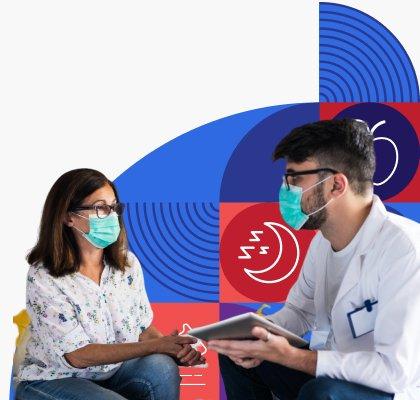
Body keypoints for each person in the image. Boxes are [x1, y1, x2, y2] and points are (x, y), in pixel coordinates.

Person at [209, 119, 420, 400]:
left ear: (336, 185)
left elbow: (395, 372)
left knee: (322, 392)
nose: (285, 190)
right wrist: (255, 334)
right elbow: (299, 312)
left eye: (295, 179)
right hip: (336, 371)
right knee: (240, 352)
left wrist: (292, 357)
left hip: (391, 389)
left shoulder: (406, 249)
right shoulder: (323, 241)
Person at [15, 168, 205, 400]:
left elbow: (142, 330)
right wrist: (159, 345)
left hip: (112, 373)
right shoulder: (44, 276)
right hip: (55, 379)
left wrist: (175, 348)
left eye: (114, 207)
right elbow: (77, 356)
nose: (112, 215)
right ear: (68, 217)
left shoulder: (127, 264)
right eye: (100, 207)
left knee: (163, 367)